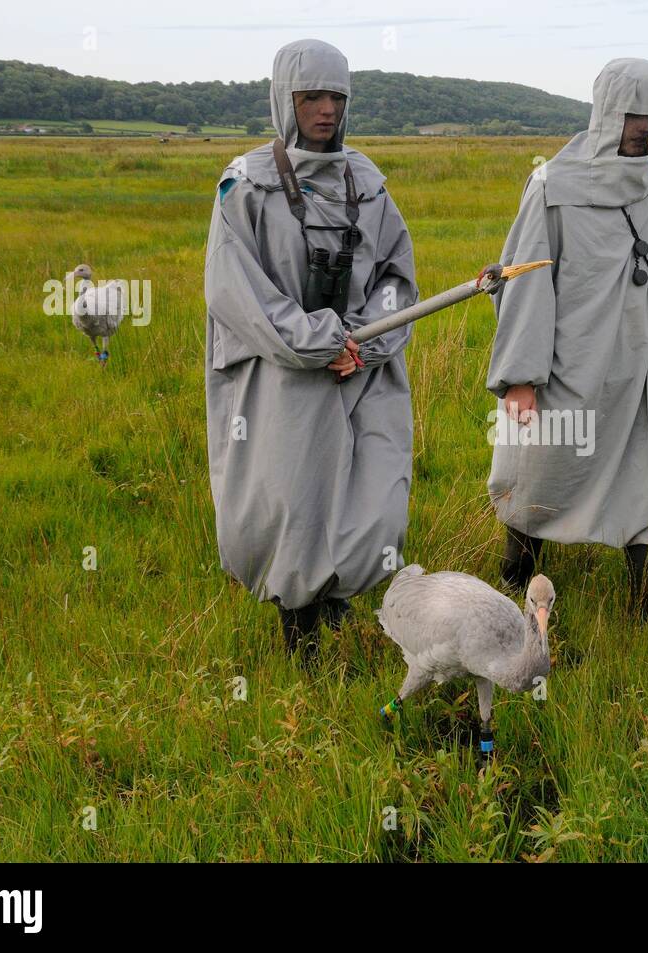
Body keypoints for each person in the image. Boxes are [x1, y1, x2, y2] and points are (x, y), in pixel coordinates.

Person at [204, 39, 418, 664]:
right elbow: (236, 291)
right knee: (295, 502)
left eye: (337, 97)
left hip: (363, 371)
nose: (327, 110)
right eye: (311, 97)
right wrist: (319, 342)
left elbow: (396, 280)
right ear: (284, 100)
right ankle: (301, 641)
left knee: (371, 495)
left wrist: (365, 340)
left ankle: (341, 600)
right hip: (282, 380)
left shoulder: (370, 185)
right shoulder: (243, 188)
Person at [485, 58, 648, 620]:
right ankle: (515, 586)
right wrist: (520, 378)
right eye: (633, 115)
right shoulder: (553, 185)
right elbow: (527, 280)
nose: (643, 127)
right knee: (538, 470)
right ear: (607, 111)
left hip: (638, 368)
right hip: (562, 366)